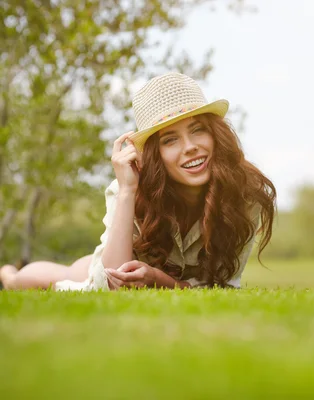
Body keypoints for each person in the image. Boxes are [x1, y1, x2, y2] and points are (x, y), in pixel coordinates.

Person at [0, 72, 276, 291]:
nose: (190, 147)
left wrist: (161, 280)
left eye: (198, 130)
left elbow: (225, 286)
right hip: (108, 260)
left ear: (216, 135)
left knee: (74, 271)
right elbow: (111, 281)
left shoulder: (245, 194)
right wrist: (128, 191)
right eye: (170, 140)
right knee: (64, 277)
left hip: (143, 269)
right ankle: (8, 274)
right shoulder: (128, 185)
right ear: (155, 155)